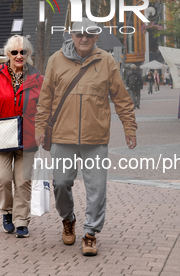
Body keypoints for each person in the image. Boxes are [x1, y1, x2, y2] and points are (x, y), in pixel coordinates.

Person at [35, 19, 137, 256]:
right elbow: (45, 98)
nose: (84, 39)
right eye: (80, 34)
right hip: (62, 137)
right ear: (71, 35)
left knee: (97, 189)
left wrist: (129, 128)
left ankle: (90, 233)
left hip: (95, 138)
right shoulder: (55, 60)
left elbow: (121, 98)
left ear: (96, 37)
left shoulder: (107, 61)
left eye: (90, 35)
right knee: (60, 184)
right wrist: (40, 127)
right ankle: (68, 219)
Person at [0, 35, 44, 239]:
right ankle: (7, 212)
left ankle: (22, 220)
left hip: (28, 138)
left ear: (29, 54)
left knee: (23, 181)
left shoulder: (37, 78)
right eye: (14, 52)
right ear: (8, 54)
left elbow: (45, 108)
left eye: (23, 52)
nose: (19, 55)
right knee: (2, 179)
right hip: (2, 136)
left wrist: (42, 130)